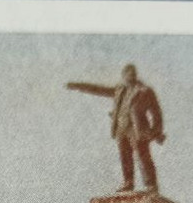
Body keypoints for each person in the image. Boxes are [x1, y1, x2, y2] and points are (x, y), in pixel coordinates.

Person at [65, 64, 166, 192]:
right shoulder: (119, 90)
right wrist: (78, 86)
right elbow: (98, 89)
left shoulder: (145, 91)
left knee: (142, 155)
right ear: (123, 75)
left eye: (132, 72)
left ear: (135, 74)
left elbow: (156, 112)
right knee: (125, 156)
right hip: (120, 128)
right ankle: (128, 182)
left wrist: (155, 131)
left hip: (138, 129)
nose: (130, 75)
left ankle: (150, 184)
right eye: (127, 73)